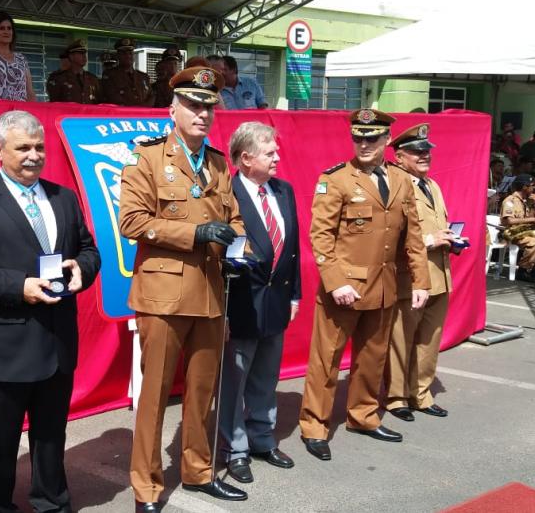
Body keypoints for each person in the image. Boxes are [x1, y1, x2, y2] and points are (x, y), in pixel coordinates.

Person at [0, 110, 101, 512]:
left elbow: (89, 249)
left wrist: (82, 269)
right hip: (3, 347)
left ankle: (52, 502)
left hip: (56, 344)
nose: (35, 155)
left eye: (40, 147)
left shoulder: (64, 197)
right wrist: (18, 286)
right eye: (23, 148)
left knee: (51, 438)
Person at [119, 66, 247, 511]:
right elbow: (132, 222)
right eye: (193, 105)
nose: (202, 113)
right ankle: (147, 487)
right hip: (163, 295)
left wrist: (237, 245)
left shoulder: (216, 162)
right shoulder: (148, 159)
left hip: (211, 293)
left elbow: (232, 218)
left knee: (202, 392)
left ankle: (197, 471)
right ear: (172, 109)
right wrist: (195, 234)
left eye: (209, 106)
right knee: (154, 396)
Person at [298, 108, 429, 459]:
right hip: (344, 290)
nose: (364, 144)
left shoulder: (401, 180)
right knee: (326, 361)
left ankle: (364, 415)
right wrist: (336, 282)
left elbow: (413, 236)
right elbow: (320, 237)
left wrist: (420, 281)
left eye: (372, 138)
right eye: (358, 138)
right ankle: (314, 425)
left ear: (387, 140)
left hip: (385, 285)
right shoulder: (337, 179)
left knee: (373, 357)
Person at [219, 121, 301, 485]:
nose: (277, 157)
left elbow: (294, 249)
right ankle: (235, 449)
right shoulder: (226, 195)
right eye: (270, 153)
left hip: (277, 301)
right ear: (246, 157)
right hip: (240, 306)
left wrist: (294, 293)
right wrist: (220, 312)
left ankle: (262, 439)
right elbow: (218, 257)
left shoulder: (283, 191)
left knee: (267, 377)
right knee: (233, 383)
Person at [385, 124, 459, 424]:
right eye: (417, 151)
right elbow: (391, 235)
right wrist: (430, 240)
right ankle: (396, 397)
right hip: (411, 276)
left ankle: (421, 393)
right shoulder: (395, 184)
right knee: (401, 339)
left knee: (429, 339)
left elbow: (437, 222)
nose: (424, 155)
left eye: (427, 150)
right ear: (400, 156)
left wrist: (451, 239)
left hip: (439, 273)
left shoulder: (432, 185)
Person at [500, 173, 535, 280]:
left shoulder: (525, 201)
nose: (533, 188)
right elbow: (509, 220)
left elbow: (533, 217)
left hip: (522, 232)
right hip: (511, 233)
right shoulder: (510, 200)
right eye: (531, 185)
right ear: (524, 187)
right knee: (534, 242)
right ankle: (523, 270)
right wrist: (532, 219)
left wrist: (534, 204)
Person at [101, 37, 153, 106]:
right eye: (124, 53)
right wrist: (136, 109)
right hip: (122, 115)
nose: (128, 56)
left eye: (130, 53)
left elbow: (151, 96)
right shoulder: (110, 75)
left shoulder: (143, 76)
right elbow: (112, 98)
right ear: (118, 56)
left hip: (143, 115)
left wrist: (143, 109)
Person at [46, 39, 100, 104]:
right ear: (71, 57)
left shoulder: (92, 79)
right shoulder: (60, 79)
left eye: (84, 53)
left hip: (88, 114)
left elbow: (98, 102)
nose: (84, 56)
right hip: (69, 113)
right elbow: (55, 103)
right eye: (80, 53)